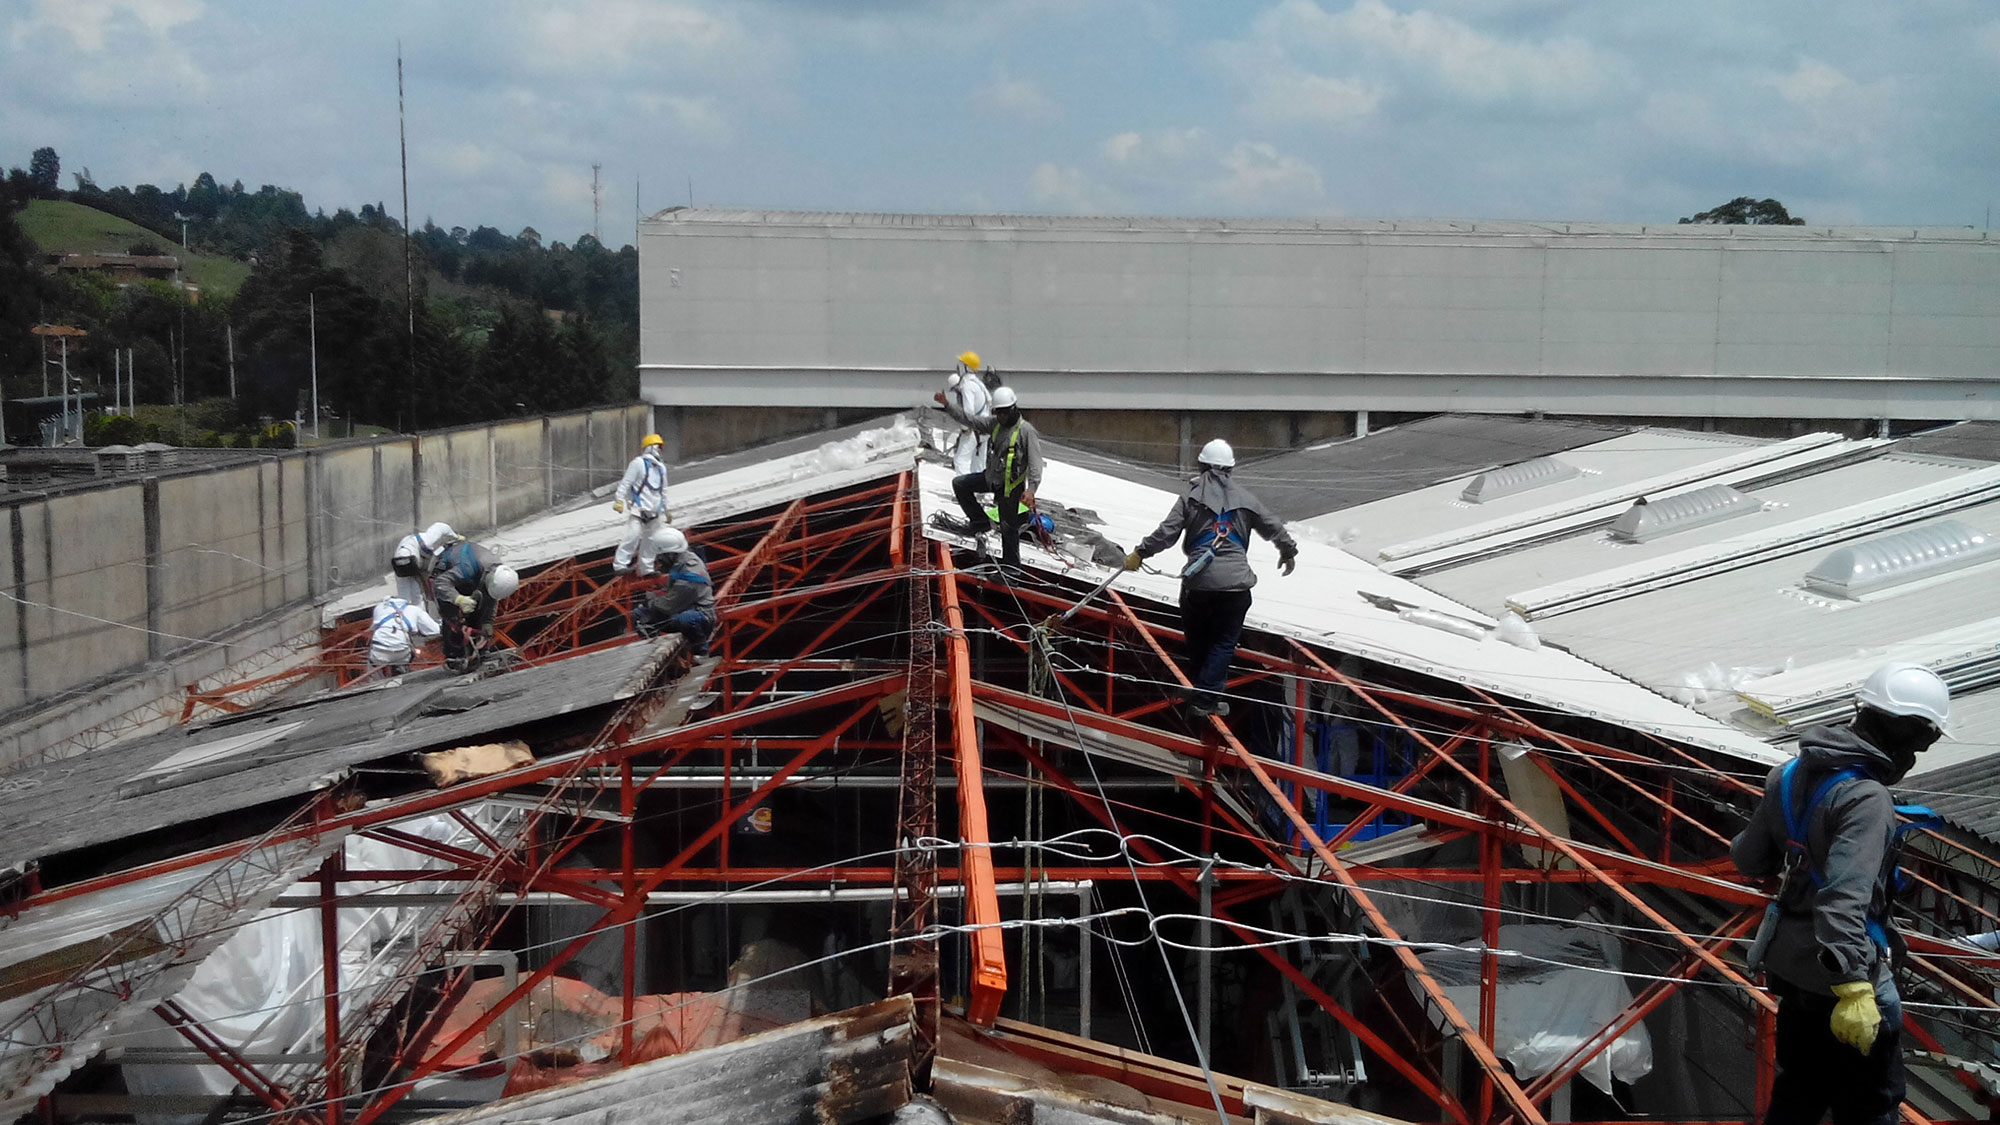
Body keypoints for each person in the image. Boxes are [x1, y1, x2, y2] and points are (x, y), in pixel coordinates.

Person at [1731, 661, 1952, 1125]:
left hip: (1791, 972)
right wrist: (1854, 987)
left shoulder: (1787, 773)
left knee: (1799, 1095)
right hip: (1846, 982)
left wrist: (1799, 843)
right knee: (1870, 1108)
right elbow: (1843, 899)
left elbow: (1749, 859)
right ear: (1907, 733)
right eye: (1922, 740)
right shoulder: (1867, 799)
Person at [1122, 439, 1297, 717]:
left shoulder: (1190, 499)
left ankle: (1202, 694)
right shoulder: (1247, 500)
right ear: (1231, 469)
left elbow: (1166, 533)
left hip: (1198, 586)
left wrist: (1140, 553)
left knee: (1199, 639)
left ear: (1201, 465)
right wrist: (1288, 552)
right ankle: (1206, 696)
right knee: (1224, 642)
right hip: (1236, 586)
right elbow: (1274, 526)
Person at [951, 386, 1042, 567]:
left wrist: (1031, 490)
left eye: (1004, 413)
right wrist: (948, 405)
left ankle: (1011, 569)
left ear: (1013, 409)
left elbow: (1035, 463)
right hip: (991, 479)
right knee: (960, 484)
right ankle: (980, 522)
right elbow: (972, 420)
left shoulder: (1026, 432)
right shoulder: (996, 424)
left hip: (1010, 487)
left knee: (1009, 529)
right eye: (998, 412)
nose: (1001, 416)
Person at [430, 539, 521, 671]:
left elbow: (490, 598)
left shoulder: (497, 572)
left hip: (472, 577)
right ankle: (454, 657)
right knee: (454, 619)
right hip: (446, 577)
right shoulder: (466, 568)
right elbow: (440, 584)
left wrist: (487, 622)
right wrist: (458, 599)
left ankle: (479, 652)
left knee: (478, 612)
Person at [632, 528, 716, 654]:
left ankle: (701, 651)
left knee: (684, 619)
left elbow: (668, 607)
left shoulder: (689, 576)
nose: (658, 560)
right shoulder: (681, 561)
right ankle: (654, 650)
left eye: (659, 556)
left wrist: (651, 598)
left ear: (669, 553)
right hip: (680, 607)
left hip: (699, 614)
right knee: (638, 615)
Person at [613, 432, 671, 577]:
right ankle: (620, 565)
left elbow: (663, 490)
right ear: (650, 448)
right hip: (639, 509)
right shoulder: (638, 463)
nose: (659, 450)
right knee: (632, 536)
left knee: (651, 541)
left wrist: (666, 509)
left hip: (655, 510)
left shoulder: (661, 468)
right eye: (657, 446)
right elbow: (626, 483)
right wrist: (619, 500)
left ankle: (647, 569)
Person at [933, 351, 995, 479]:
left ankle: (964, 491)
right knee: (979, 463)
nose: (958, 367)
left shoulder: (967, 386)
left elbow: (968, 413)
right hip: (985, 431)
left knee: (961, 460)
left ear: (966, 367)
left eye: (961, 364)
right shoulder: (979, 384)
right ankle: (980, 492)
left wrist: (965, 429)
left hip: (973, 430)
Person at [367, 595, 441, 676]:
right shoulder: (414, 609)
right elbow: (434, 630)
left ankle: (375, 680)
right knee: (409, 653)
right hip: (401, 652)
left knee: (372, 659)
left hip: (379, 651)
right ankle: (402, 673)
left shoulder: (380, 607)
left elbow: (374, 628)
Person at [391, 522, 460, 606]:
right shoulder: (428, 541)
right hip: (406, 558)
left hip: (404, 559)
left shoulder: (429, 544)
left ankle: (411, 612)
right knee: (410, 595)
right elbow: (440, 527)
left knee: (411, 594)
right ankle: (412, 611)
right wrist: (454, 535)